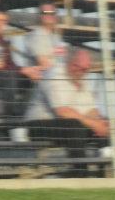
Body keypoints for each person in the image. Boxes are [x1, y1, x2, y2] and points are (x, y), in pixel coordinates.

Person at [24, 47, 108, 176]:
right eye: (81, 68)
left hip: (66, 125)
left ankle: (107, 170)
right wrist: (93, 124)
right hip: (38, 125)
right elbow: (63, 112)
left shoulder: (80, 78)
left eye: (87, 69)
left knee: (104, 125)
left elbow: (90, 109)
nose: (84, 73)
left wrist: (99, 122)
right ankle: (80, 172)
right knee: (74, 125)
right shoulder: (53, 75)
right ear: (71, 63)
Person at [23, 2, 68, 79]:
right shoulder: (36, 35)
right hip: (45, 80)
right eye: (45, 13)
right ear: (40, 16)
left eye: (52, 13)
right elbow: (44, 64)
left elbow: (62, 59)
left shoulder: (56, 37)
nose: (49, 15)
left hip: (59, 77)